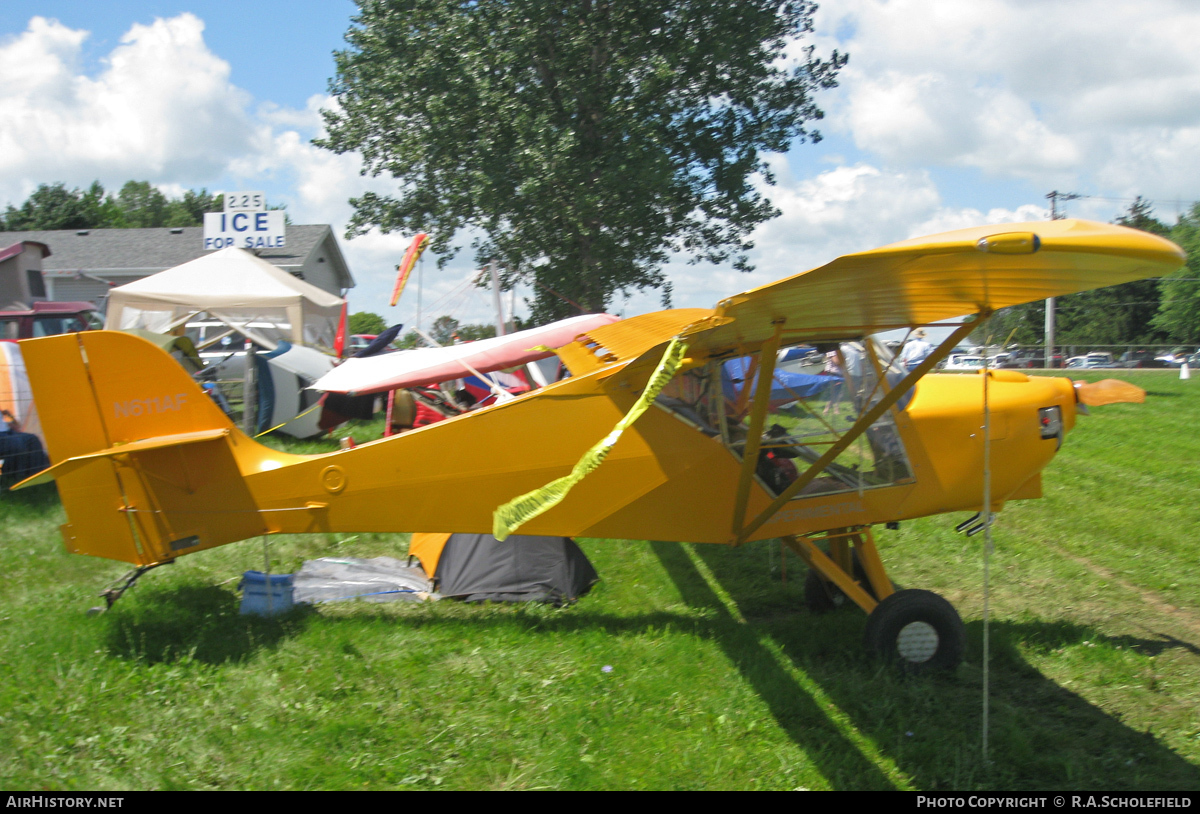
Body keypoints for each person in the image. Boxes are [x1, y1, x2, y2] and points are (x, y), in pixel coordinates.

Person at [0, 408, 50, 486]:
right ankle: (16, 481)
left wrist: (8, 423)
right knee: (17, 444)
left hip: (7, 431)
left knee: (33, 439)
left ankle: (36, 480)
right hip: (4, 436)